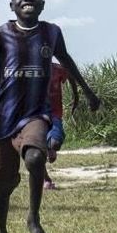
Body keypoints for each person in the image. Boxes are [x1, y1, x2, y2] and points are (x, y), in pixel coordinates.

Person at [0, 0, 100, 233]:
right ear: (12, 4)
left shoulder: (51, 33)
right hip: (3, 118)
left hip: (35, 113)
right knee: (3, 185)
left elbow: (66, 60)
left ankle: (33, 218)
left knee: (35, 159)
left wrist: (88, 92)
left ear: (42, 3)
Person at [42, 60, 78, 191]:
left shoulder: (58, 68)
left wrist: (76, 95)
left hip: (54, 114)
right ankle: (46, 180)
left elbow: (72, 76)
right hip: (34, 115)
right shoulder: (30, 68)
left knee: (55, 143)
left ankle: (50, 147)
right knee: (36, 152)